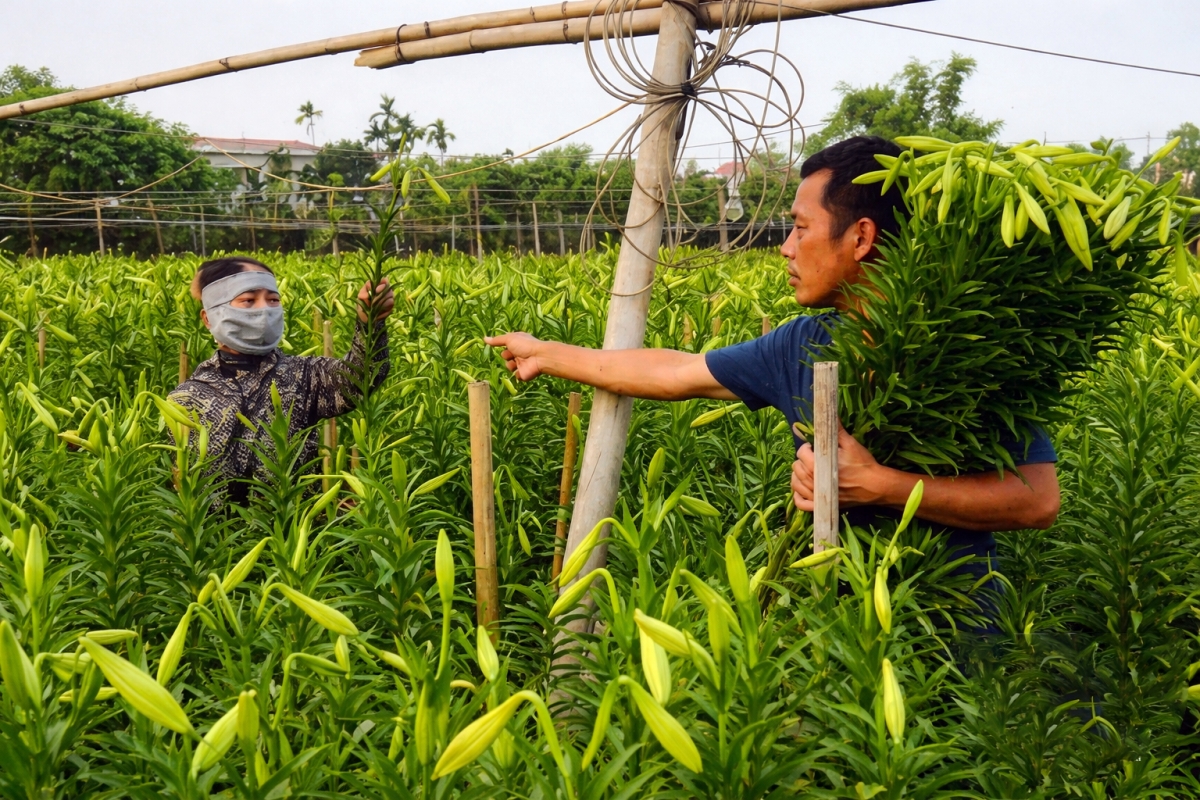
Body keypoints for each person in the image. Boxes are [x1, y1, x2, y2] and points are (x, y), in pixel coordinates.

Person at [485, 136, 1060, 586]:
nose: (786, 247)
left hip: (952, 643)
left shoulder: (965, 345)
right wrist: (548, 353)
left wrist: (882, 486)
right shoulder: (803, 343)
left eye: (801, 228)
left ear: (861, 237)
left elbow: (1037, 500)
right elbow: (676, 372)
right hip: (835, 627)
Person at [170, 256, 394, 505]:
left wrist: (370, 323)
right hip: (216, 529)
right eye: (249, 300)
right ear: (208, 318)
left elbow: (360, 378)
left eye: (273, 300)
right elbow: (181, 480)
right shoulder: (188, 396)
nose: (264, 309)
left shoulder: (303, 374)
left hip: (293, 522)